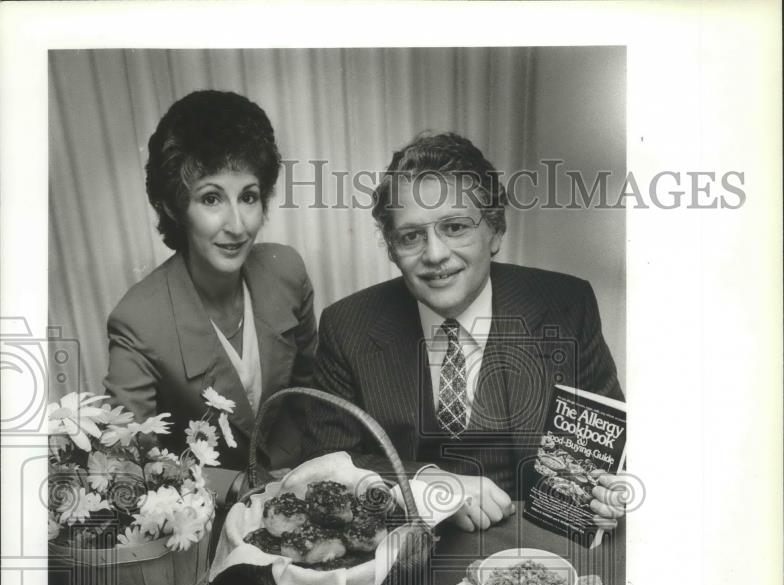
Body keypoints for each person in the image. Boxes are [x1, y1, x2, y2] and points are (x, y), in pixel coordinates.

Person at [306, 132, 626, 532]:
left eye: (455, 227)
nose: (435, 254)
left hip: (541, 542)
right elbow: (328, 466)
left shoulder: (565, 305)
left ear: (495, 231)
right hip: (407, 550)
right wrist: (427, 485)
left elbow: (607, 446)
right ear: (391, 249)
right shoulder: (347, 326)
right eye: (411, 236)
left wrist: (608, 493)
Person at [104, 90, 316, 496]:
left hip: (294, 482)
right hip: (205, 514)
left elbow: (311, 395)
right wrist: (232, 486)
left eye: (249, 197)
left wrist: (295, 474)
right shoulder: (137, 321)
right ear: (174, 206)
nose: (237, 225)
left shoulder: (286, 270)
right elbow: (127, 461)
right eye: (211, 198)